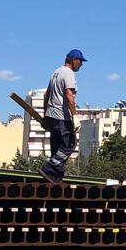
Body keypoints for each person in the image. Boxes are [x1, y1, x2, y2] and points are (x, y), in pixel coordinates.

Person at [40, 48, 86, 184]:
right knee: (69, 144)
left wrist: (45, 115)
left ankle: (55, 176)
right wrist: (75, 116)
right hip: (61, 116)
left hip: (51, 116)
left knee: (57, 147)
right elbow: (68, 94)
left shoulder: (56, 72)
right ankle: (50, 167)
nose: (81, 64)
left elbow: (46, 95)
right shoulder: (68, 73)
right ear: (73, 60)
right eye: (80, 61)